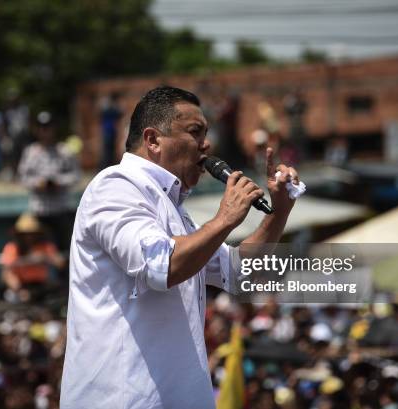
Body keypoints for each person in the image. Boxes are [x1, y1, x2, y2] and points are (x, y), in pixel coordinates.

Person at [60, 86, 299, 409]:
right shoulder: (115, 186)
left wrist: (280, 209)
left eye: (206, 133)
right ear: (153, 140)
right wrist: (225, 218)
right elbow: (162, 266)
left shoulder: (173, 209)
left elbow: (239, 272)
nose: (207, 144)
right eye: (194, 132)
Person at [18, 111, 80, 252]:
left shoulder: (64, 151)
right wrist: (38, 184)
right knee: (38, 251)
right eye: (41, 127)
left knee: (64, 251)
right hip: (39, 211)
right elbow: (23, 178)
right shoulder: (30, 152)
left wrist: (59, 182)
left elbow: (75, 176)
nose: (44, 131)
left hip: (60, 210)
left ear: (54, 128)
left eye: (48, 127)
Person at [1, 213, 65, 302]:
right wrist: (19, 289)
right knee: (11, 296)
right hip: (20, 287)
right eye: (25, 234)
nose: (29, 237)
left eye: (32, 233)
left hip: (41, 286)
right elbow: (6, 272)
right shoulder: (12, 248)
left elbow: (60, 263)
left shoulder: (45, 247)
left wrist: (44, 258)